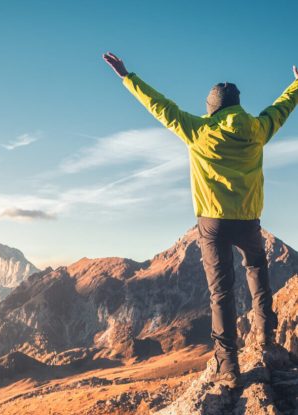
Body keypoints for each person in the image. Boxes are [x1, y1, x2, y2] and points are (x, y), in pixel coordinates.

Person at [102, 52, 298, 389]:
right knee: (258, 277)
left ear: (212, 108)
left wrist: (127, 76)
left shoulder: (199, 130)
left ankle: (228, 367)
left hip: (213, 223)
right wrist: (297, 84)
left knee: (221, 293)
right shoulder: (257, 129)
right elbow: (282, 107)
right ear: (236, 106)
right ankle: (264, 338)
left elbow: (161, 107)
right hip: (249, 219)